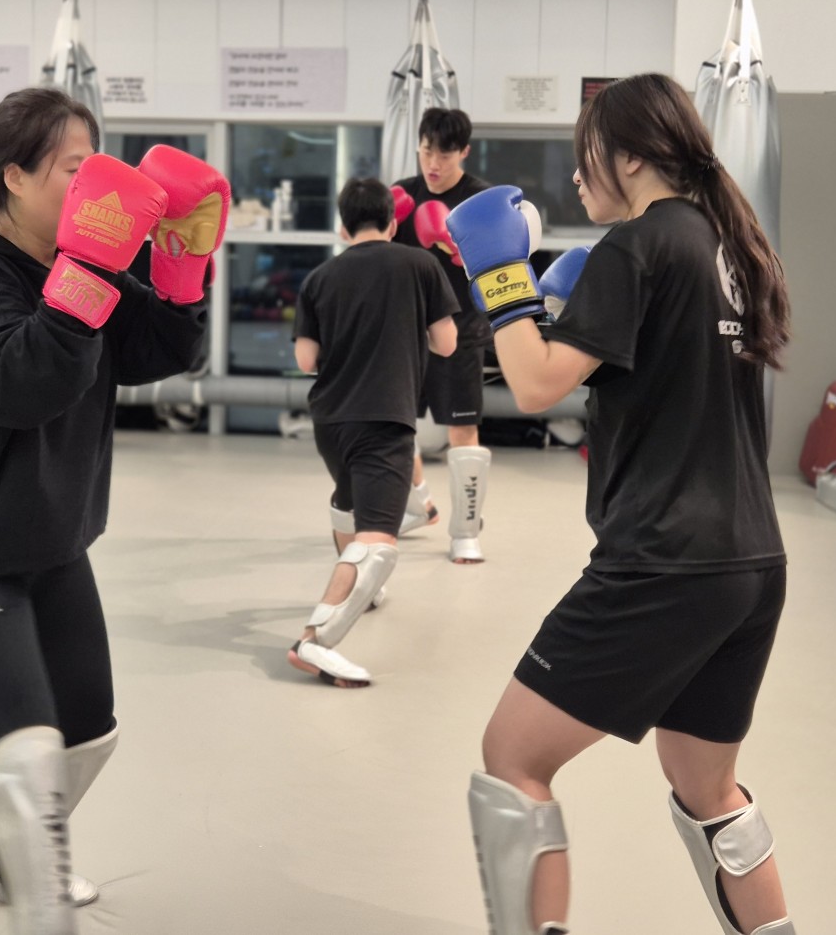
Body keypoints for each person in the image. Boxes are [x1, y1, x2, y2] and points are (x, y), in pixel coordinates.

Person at [449, 73, 795, 935]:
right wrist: (561, 309)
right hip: (750, 563)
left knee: (512, 757)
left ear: (632, 156)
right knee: (708, 788)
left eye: (587, 157)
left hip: (663, 558)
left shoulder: (636, 247)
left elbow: (534, 385)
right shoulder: (728, 245)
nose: (576, 177)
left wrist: (501, 276)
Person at [0, 87, 224, 934]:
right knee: (28, 752)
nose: (90, 186)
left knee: (88, 728)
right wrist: (86, 272)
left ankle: (3, 861)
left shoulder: (83, 259)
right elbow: (14, 387)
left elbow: (159, 350)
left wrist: (179, 267)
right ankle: (33, 889)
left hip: (54, 538)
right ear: (14, 178)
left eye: (94, 168)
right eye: (72, 169)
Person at [289, 177, 457, 687]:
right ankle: (315, 640)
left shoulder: (319, 278)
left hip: (329, 420)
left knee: (347, 503)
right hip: (384, 417)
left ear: (343, 227)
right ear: (392, 221)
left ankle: (361, 590)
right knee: (379, 542)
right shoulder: (420, 264)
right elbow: (447, 343)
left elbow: (306, 360)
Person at [391, 107, 494, 563]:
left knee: (462, 430)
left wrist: (457, 248)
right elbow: (365, 243)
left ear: (464, 152)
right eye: (427, 150)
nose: (433, 163)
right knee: (394, 426)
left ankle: (466, 531)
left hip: (461, 331)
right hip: (407, 334)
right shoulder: (401, 196)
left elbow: (503, 263)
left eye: (445, 154)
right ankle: (418, 505)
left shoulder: (480, 201)